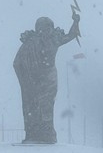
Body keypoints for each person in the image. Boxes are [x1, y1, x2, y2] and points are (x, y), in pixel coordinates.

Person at [13, 10, 80, 144]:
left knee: (44, 106)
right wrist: (27, 77)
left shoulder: (52, 40)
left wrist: (76, 21)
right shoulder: (31, 43)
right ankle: (36, 134)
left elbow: (72, 35)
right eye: (44, 28)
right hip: (36, 80)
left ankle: (44, 133)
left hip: (47, 80)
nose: (47, 31)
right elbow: (17, 63)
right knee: (34, 106)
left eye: (49, 27)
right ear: (38, 29)